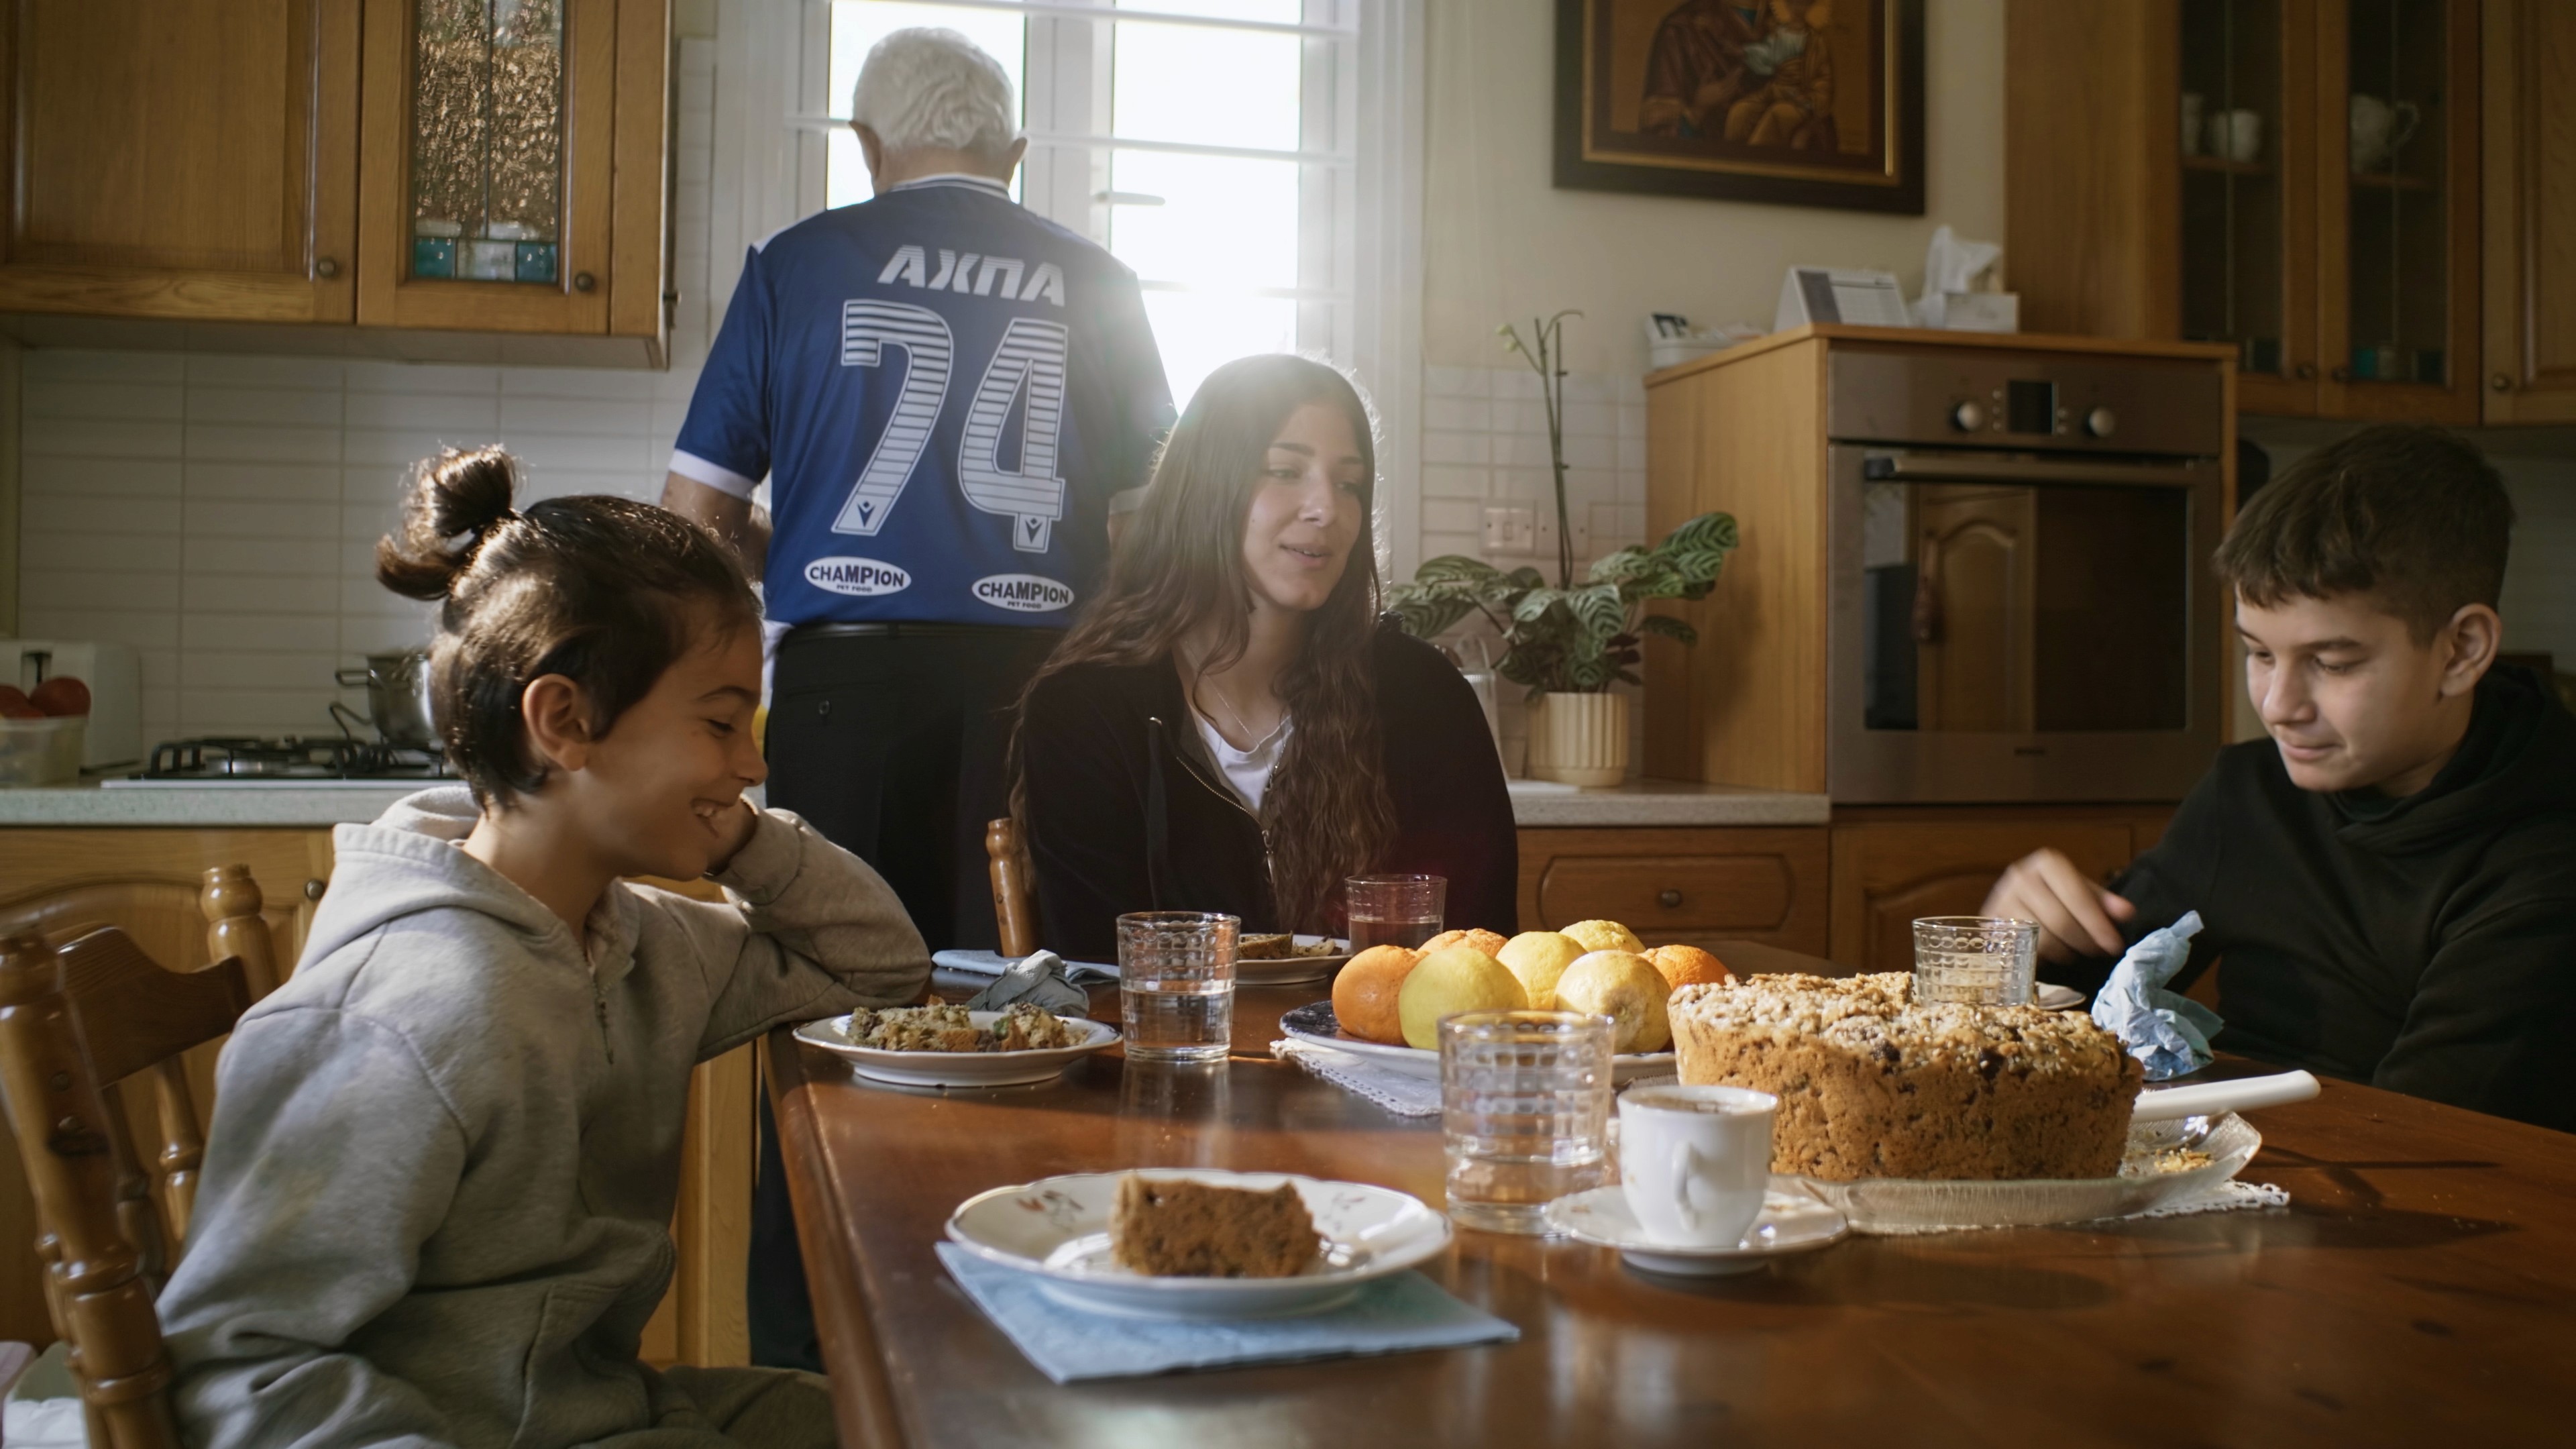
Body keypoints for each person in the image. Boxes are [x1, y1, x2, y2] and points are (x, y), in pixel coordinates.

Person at [158, 447, 932, 1448]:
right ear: (564, 720)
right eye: (721, 723)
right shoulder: (397, 1020)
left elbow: (877, 969)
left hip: (600, 1410)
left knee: (936, 1414)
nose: (754, 762)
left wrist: (734, 828)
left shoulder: (633, 941)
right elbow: (238, 1372)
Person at [657, 27, 1169, 1368]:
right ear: (1011, 153)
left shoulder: (796, 266)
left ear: (869, 150)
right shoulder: (1101, 279)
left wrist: (808, 553)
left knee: (830, 1027)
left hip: (843, 692)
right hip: (1039, 700)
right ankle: (1020, 1350)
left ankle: (807, 1364)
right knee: (1033, 1023)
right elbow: (1147, 541)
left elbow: (693, 521)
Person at [1984, 425, 2576, 1132]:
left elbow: (2426, 1135)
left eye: (2332, 662)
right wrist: (2013, 952)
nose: (2278, 707)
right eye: (2260, 653)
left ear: (2461, 650)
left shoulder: (2547, 855)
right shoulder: (2251, 791)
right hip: (2241, 1172)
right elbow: (2068, 1012)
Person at [1014, 355, 1517, 959]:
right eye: (1285, 471)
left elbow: (1480, 952)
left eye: (1349, 483)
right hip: (1172, 1052)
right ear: (1203, 490)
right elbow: (1098, 970)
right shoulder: (1084, 709)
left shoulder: (1423, 696)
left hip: (1382, 1047)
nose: (1326, 509)